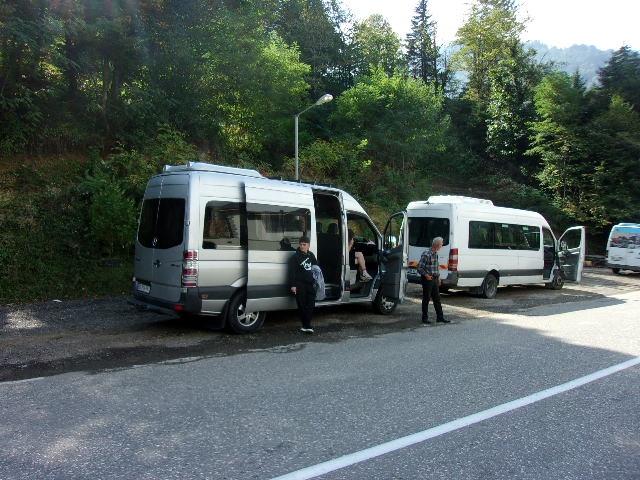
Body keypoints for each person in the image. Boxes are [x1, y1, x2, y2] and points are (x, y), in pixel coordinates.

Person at [288, 236, 318, 333]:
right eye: (301, 244)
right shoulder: (295, 257)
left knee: (311, 304)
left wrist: (316, 280)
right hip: (299, 284)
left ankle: (306, 325)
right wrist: (293, 285)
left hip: (310, 283)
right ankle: (306, 325)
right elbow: (292, 272)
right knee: (302, 305)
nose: (302, 246)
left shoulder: (311, 255)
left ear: (308, 245)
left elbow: (316, 268)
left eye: (304, 245)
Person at [417, 236, 450, 325]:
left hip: (434, 279)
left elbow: (436, 267)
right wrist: (426, 275)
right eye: (441, 244)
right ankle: (424, 318)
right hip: (427, 279)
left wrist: (438, 278)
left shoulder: (436, 254)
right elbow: (419, 268)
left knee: (437, 299)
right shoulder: (426, 254)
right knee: (426, 298)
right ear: (437, 245)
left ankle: (440, 317)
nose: (442, 246)